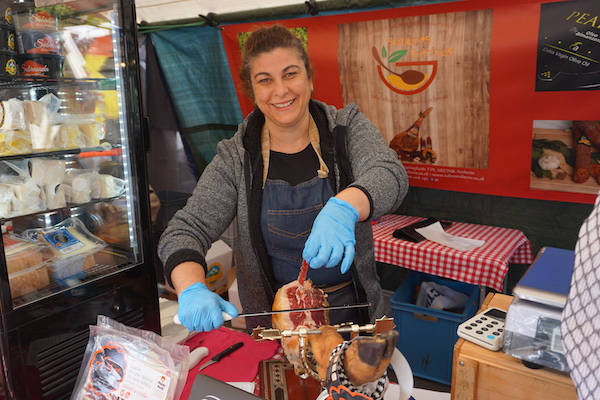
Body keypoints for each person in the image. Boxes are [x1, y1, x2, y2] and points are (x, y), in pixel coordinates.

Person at [158, 24, 408, 333]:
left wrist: (346, 206)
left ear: (310, 78)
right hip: (277, 330)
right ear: (252, 91)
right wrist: (191, 288)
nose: (280, 90)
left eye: (290, 74)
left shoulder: (346, 128)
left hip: (358, 321)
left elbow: (390, 173)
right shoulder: (237, 157)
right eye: (265, 80)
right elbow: (185, 230)